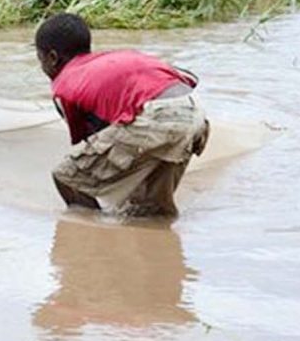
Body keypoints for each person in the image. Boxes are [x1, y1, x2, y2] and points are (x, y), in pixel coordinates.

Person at [34, 13, 208, 217]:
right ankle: (156, 240)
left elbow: (93, 138)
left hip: (160, 116)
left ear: (52, 58)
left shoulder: (63, 84)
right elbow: (187, 79)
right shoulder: (111, 59)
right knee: (147, 208)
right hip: (195, 111)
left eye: (40, 58)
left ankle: (89, 239)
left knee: (69, 177)